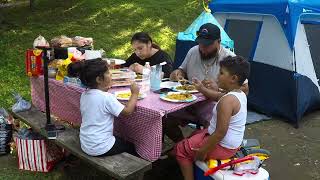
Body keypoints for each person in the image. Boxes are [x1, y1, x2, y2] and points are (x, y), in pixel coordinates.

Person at [164, 23, 249, 142]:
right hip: (187, 100)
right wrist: (178, 73)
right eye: (200, 43)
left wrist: (219, 89)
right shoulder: (193, 51)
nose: (203, 48)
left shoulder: (229, 59)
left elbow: (245, 89)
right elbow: (182, 70)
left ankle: (203, 150)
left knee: (214, 124)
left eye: (207, 45)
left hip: (212, 103)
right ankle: (182, 145)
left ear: (218, 42)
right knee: (164, 118)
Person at [175, 55, 250, 180]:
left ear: (233, 78)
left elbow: (220, 133)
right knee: (195, 133)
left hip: (223, 147)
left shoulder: (227, 101)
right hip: (232, 144)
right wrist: (201, 88)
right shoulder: (238, 94)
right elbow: (217, 96)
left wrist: (203, 151)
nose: (217, 76)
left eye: (221, 73)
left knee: (180, 149)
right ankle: (192, 160)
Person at [68, 58, 139, 156]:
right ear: (99, 79)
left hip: (86, 143)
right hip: (100, 147)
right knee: (131, 146)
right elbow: (127, 112)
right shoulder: (106, 97)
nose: (111, 74)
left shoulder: (84, 94)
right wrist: (135, 94)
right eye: (108, 72)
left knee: (119, 139)